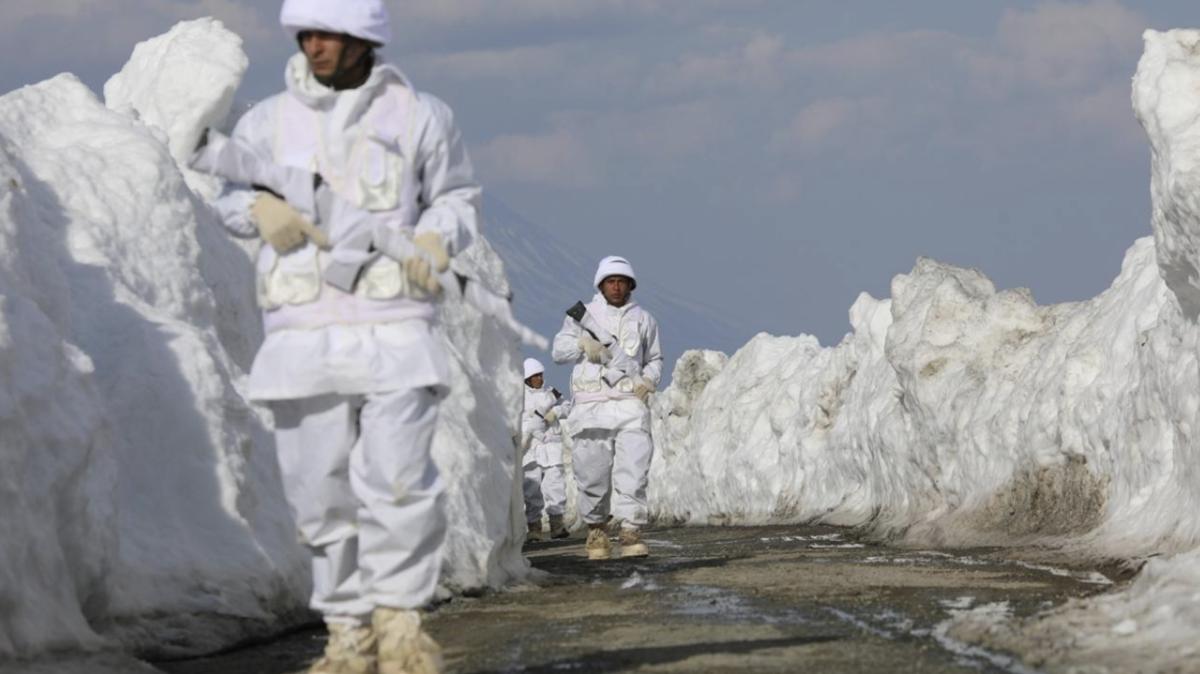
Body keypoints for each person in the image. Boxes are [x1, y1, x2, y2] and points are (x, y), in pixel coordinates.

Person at [207, 1, 480, 672]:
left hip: (395, 328)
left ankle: (400, 623)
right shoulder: (267, 123)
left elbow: (456, 197)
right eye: (306, 33)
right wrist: (258, 207)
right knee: (318, 489)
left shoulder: (421, 117)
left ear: (363, 40)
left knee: (398, 483)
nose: (314, 45)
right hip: (303, 337)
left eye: (328, 34)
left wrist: (435, 236)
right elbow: (225, 195)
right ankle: (348, 633)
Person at [552, 256, 663, 560]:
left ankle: (631, 529)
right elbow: (558, 351)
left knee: (634, 471)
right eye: (611, 282)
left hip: (629, 406)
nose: (616, 287)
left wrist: (648, 381)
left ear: (630, 285)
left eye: (621, 282)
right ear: (601, 285)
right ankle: (596, 530)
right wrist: (582, 344)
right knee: (592, 474)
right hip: (591, 408)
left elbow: (654, 359)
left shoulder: (644, 320)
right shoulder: (583, 317)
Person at [520, 358, 572, 541]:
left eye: (540, 375)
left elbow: (567, 407)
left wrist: (555, 412)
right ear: (527, 378)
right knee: (531, 489)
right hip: (530, 449)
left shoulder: (552, 394)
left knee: (555, 486)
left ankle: (557, 524)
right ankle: (534, 527)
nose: (539, 379)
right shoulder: (520, 398)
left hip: (551, 447)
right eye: (535, 376)